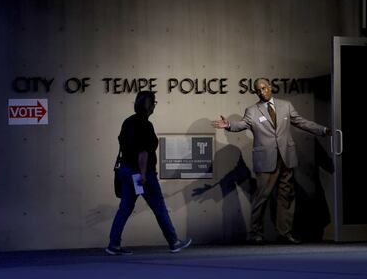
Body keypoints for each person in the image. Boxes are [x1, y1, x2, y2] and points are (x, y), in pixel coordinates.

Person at [212, 78, 331, 244]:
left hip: (286, 158)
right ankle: (255, 234)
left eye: (263, 88)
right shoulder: (252, 110)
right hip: (266, 160)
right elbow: (241, 124)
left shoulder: (286, 106)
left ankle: (285, 233)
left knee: (286, 196)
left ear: (269, 88)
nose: (261, 92)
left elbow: (301, 122)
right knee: (262, 197)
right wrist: (229, 125)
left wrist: (323, 130)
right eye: (258, 90)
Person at [106, 91, 192, 255]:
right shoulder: (145, 125)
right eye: (153, 103)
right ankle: (174, 242)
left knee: (124, 208)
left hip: (125, 171)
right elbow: (143, 151)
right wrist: (144, 174)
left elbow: (125, 146)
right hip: (141, 174)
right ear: (148, 105)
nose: (154, 106)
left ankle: (113, 245)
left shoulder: (128, 122)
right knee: (159, 207)